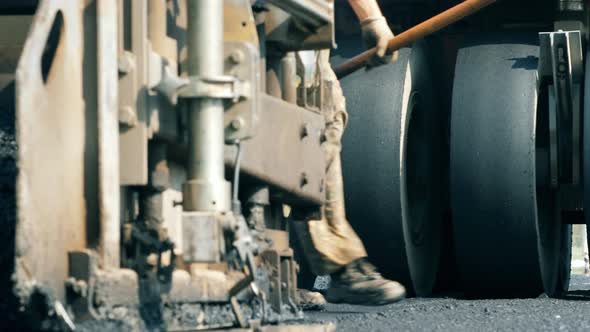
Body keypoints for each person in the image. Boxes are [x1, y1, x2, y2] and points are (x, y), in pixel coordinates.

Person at [294, 0, 405, 308]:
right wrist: (371, 19)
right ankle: (337, 270)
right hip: (286, 18)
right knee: (315, 118)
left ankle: (303, 274)